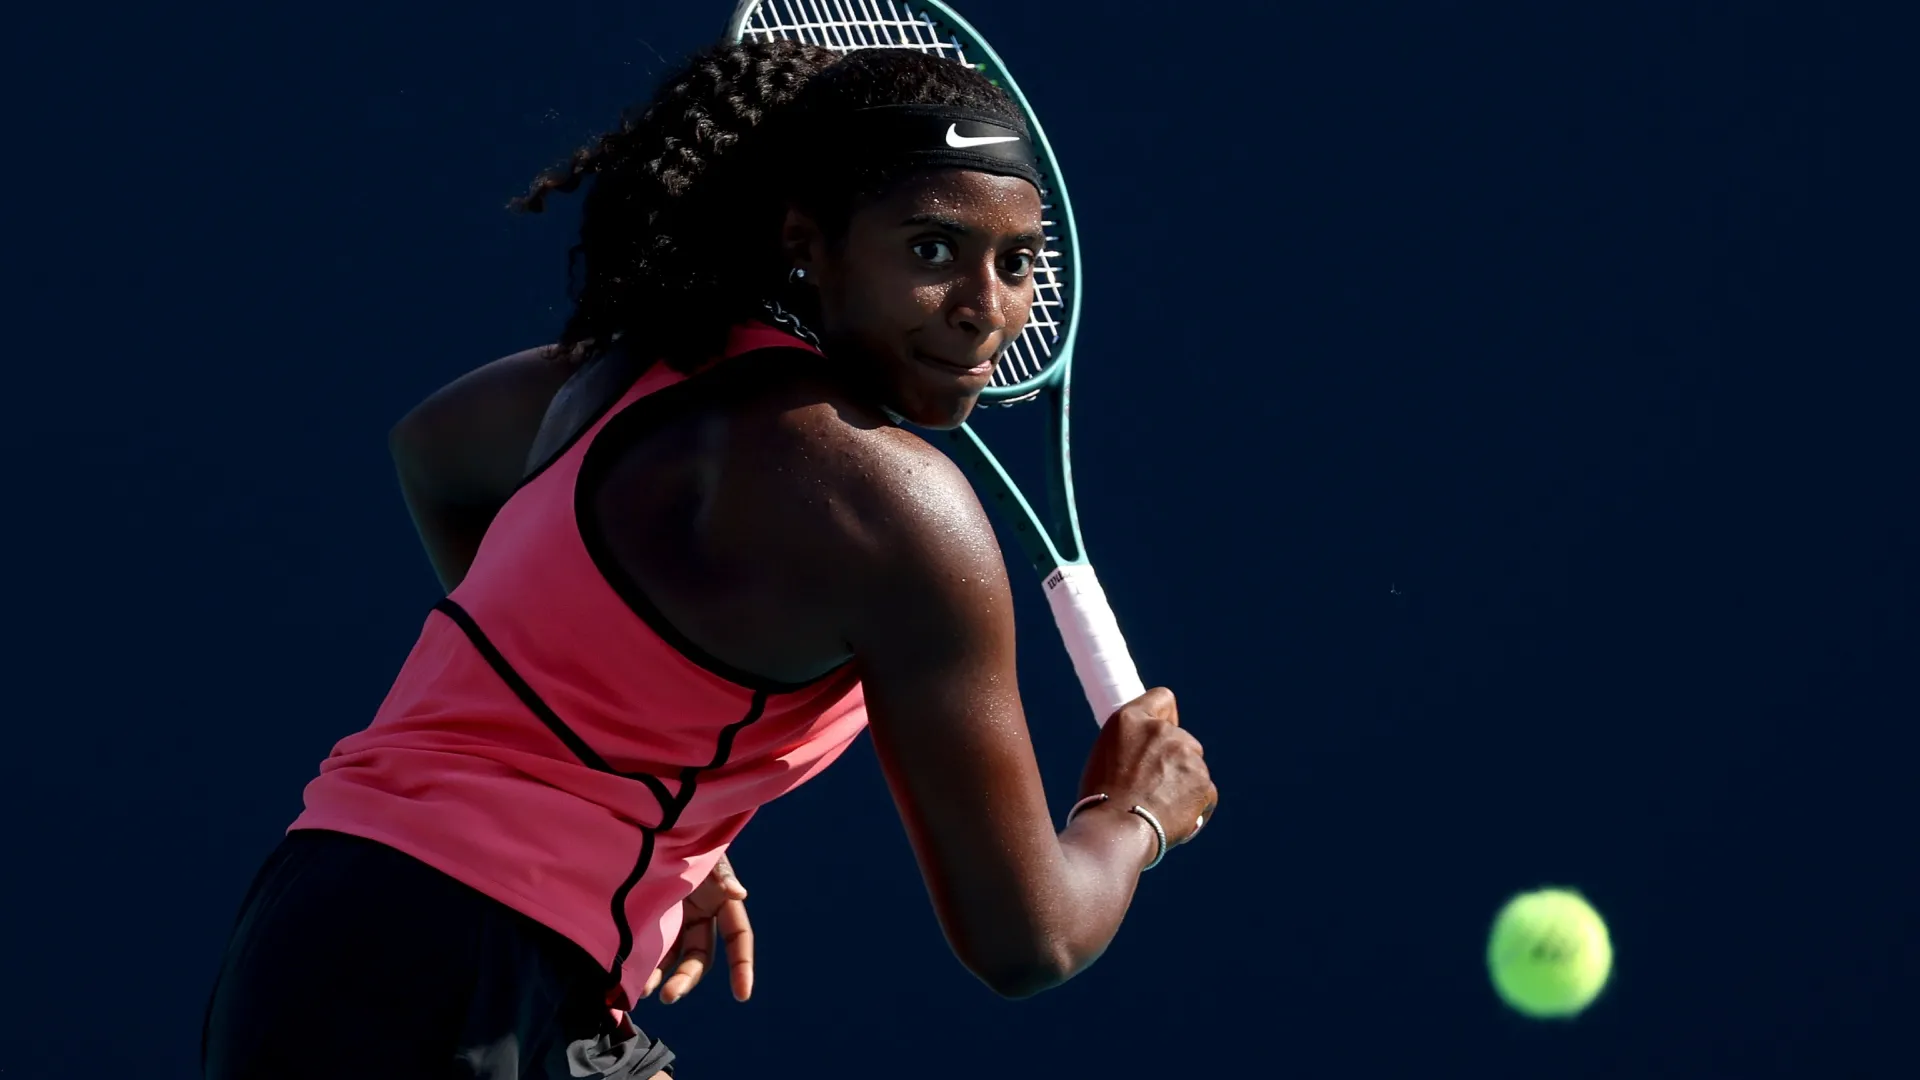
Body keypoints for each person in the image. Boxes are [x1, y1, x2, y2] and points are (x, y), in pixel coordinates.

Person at [202, 39, 1217, 1080]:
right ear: (805, 243)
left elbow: (434, 453)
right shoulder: (898, 504)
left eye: (1018, 260)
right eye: (929, 250)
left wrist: (627, 784)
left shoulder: (630, 370)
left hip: (321, 918)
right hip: (468, 976)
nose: (985, 307)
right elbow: (1027, 939)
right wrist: (1135, 812)